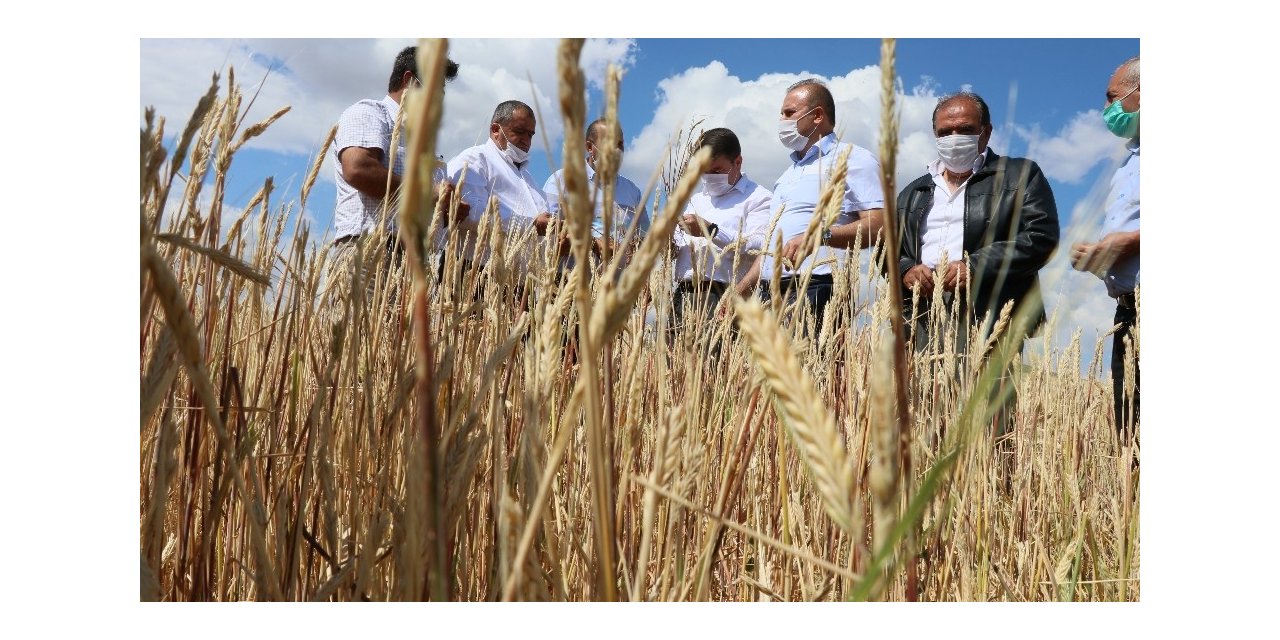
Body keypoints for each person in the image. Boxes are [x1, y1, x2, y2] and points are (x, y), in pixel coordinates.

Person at [895, 91, 1060, 439]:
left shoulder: (1019, 175)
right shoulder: (914, 192)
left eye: (965, 128)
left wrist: (976, 265)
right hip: (925, 317)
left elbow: (1041, 237)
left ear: (985, 131)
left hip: (989, 314)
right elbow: (891, 253)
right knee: (928, 417)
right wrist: (908, 270)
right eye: (944, 131)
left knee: (991, 423)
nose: (954, 138)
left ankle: (992, 489)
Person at [326, 46, 459, 322]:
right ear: (410, 81)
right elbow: (359, 168)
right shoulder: (370, 113)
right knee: (354, 348)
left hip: (412, 260)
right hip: (371, 251)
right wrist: (429, 193)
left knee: (392, 360)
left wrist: (447, 209)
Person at [762, 79, 886, 332]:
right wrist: (740, 290)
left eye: (789, 113)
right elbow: (771, 242)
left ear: (817, 115)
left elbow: (880, 225)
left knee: (812, 370)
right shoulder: (785, 176)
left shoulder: (854, 158)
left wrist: (819, 235)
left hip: (818, 286)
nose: (782, 120)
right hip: (769, 292)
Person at [1071, 56, 1140, 443]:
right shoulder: (1129, 162)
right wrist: (1099, 255)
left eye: (1112, 97)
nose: (1107, 109)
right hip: (1127, 310)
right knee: (1129, 434)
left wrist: (1131, 242)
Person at [670, 127, 773, 328]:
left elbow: (759, 244)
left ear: (738, 162)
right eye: (703, 171)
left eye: (716, 171)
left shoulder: (758, 198)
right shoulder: (697, 200)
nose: (709, 177)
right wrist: (666, 240)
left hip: (723, 295)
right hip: (683, 294)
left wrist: (710, 230)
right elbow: (679, 249)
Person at [442, 99, 557, 275]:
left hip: (517, 280)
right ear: (496, 130)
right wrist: (531, 224)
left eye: (531, 135)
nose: (526, 141)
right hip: (474, 270)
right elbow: (467, 212)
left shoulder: (528, 178)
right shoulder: (474, 159)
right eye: (519, 132)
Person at [543, 118, 647, 266]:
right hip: (571, 282)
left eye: (620, 144)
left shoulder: (632, 191)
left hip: (621, 284)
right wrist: (592, 244)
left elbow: (643, 237)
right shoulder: (562, 181)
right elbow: (549, 233)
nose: (616, 151)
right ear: (590, 147)